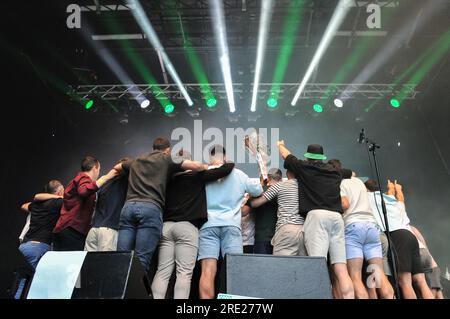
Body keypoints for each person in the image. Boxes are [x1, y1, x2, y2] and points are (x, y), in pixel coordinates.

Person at [115, 138, 207, 275]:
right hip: (150, 207)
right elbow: (196, 166)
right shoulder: (166, 159)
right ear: (168, 150)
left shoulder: (137, 160)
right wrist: (206, 167)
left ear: (153, 147)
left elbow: (118, 167)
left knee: (121, 257)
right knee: (142, 261)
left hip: (128, 207)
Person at [151, 150, 234, 299]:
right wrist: (226, 161)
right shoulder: (197, 176)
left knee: (162, 272)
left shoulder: (167, 179)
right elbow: (226, 169)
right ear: (189, 162)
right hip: (187, 227)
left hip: (166, 227)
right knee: (183, 274)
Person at [276, 141, 354, 299]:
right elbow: (351, 173)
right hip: (337, 218)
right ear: (322, 157)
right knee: (341, 268)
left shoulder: (305, 167)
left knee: (317, 265)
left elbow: (286, 155)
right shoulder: (334, 171)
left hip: (317, 217)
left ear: (308, 157)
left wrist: (280, 144)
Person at [198, 145, 263, 299]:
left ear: (210, 158)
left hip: (207, 226)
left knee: (207, 271)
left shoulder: (204, 174)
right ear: (225, 157)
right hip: (231, 226)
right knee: (234, 271)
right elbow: (258, 190)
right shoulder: (238, 174)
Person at [328, 159, 393, 299]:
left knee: (355, 277)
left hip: (353, 227)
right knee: (379, 274)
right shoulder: (358, 181)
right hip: (371, 227)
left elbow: (344, 204)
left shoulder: (339, 183)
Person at [365, 179, 434, 299]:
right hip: (411, 236)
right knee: (421, 282)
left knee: (405, 283)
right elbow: (400, 197)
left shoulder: (368, 198)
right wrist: (395, 188)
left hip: (397, 236)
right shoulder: (390, 199)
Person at [52, 156, 118, 251]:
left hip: (64, 229)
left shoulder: (76, 180)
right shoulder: (83, 177)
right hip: (73, 230)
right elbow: (83, 191)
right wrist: (106, 178)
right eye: (99, 169)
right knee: (73, 264)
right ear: (95, 168)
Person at [15, 180, 64, 299]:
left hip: (24, 247)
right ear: (59, 191)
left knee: (23, 282)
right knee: (43, 284)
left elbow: (24, 205)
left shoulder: (36, 204)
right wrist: (57, 198)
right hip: (40, 248)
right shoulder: (58, 203)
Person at [250, 169, 306, 256]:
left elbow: (254, 204)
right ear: (280, 178)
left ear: (268, 178)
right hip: (301, 231)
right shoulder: (303, 188)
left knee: (275, 266)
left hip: (272, 234)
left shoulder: (275, 188)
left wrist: (249, 196)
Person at [84, 157, 132, 252]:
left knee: (88, 265)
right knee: (106, 265)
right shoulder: (125, 183)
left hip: (93, 230)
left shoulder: (105, 183)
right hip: (109, 231)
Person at [410, 225, 444, 299]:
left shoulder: (401, 229)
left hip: (428, 266)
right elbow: (425, 247)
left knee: (430, 293)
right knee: (438, 293)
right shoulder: (412, 228)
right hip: (433, 265)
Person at [253, 168, 280, 255]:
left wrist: (261, 185)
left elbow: (249, 206)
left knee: (262, 267)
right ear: (281, 179)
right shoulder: (282, 192)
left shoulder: (258, 191)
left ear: (268, 178)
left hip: (261, 236)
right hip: (279, 237)